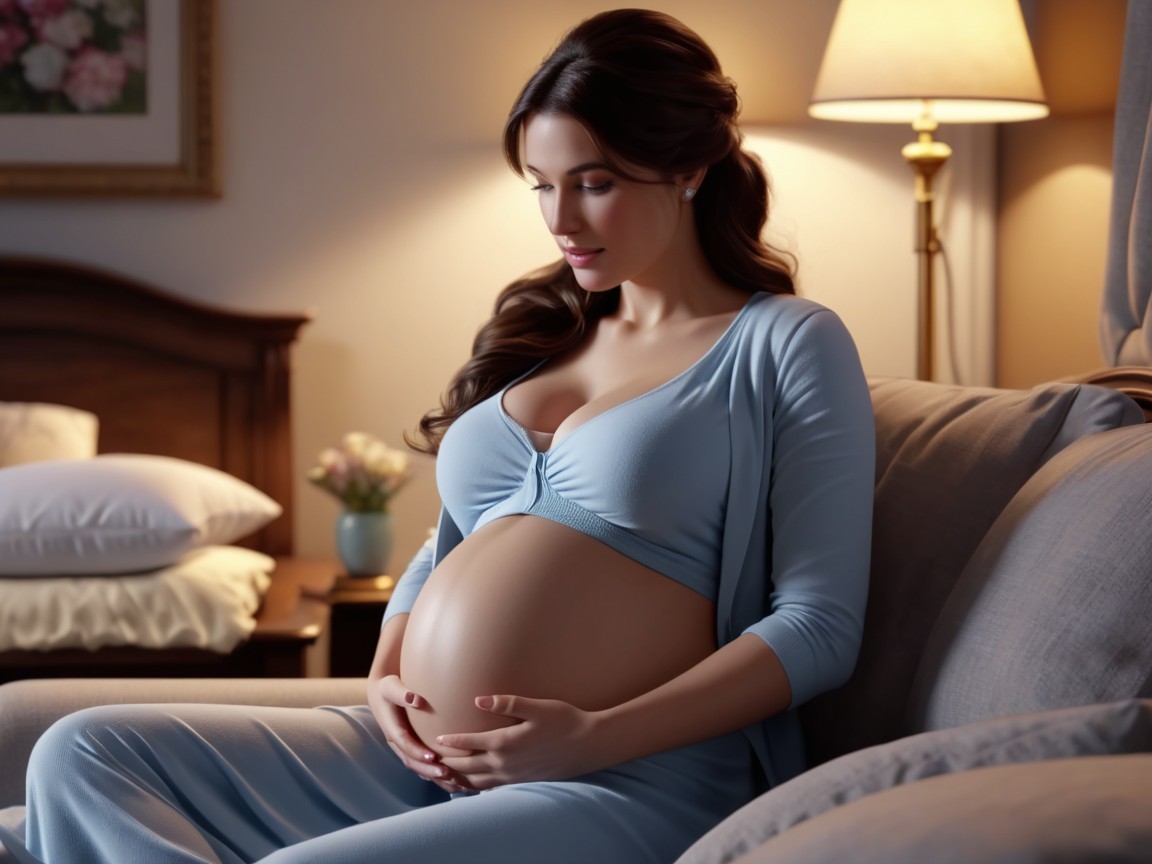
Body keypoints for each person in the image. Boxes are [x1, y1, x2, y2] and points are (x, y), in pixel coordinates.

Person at [0, 9, 874, 864]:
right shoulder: (547, 335)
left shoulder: (783, 342)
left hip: (622, 781)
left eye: (594, 182)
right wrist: (386, 672)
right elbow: (452, 541)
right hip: (416, 761)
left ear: (689, 166)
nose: (560, 218)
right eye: (540, 183)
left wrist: (594, 739)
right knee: (81, 754)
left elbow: (818, 626)